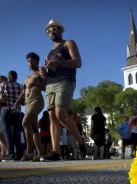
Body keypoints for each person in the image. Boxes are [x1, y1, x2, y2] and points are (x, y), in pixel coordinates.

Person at [39, 19, 86, 161]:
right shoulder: (48, 53)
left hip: (65, 81)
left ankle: (80, 141)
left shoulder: (68, 43)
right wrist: (43, 73)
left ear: (60, 30)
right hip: (50, 84)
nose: (51, 32)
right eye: (48, 31)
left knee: (60, 112)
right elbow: (50, 71)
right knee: (52, 117)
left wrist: (59, 62)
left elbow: (78, 62)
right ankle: (56, 152)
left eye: (53, 29)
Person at [14, 52, 46, 161]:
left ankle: (28, 152)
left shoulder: (40, 71)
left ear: (37, 61)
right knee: (34, 128)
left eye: (32, 60)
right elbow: (23, 91)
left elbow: (45, 87)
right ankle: (40, 154)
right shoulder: (28, 76)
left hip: (36, 100)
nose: (30, 62)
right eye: (28, 61)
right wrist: (17, 102)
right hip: (27, 103)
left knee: (25, 123)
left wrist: (36, 84)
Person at [0, 70, 23, 162]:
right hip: (17, 111)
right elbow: (23, 102)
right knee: (17, 133)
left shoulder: (3, 84)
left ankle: (11, 155)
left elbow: (1, 98)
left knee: (8, 133)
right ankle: (20, 155)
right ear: (16, 77)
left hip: (6, 110)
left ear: (8, 76)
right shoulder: (19, 86)